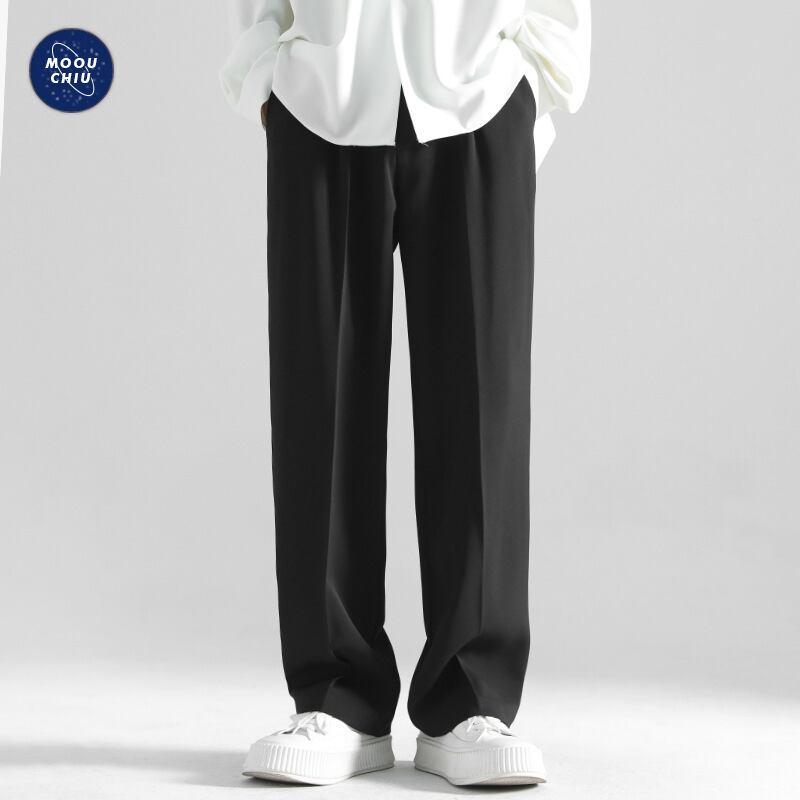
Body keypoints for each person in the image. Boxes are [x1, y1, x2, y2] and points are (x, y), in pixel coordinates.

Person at [219, 0, 591, 787]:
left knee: (483, 404)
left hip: (480, 88)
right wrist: (266, 75)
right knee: (318, 397)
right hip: (321, 94)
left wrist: (534, 79)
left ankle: (470, 701)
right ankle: (339, 698)